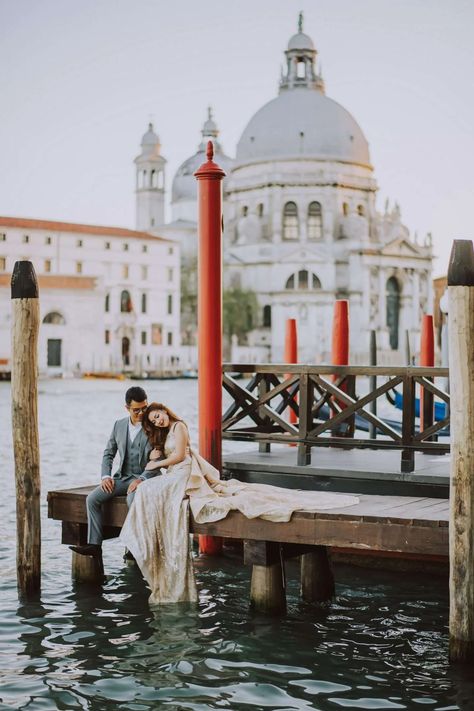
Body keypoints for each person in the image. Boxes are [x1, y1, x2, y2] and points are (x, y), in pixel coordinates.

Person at [120, 402, 359, 606]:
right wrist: (156, 455)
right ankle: (139, 537)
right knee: (147, 491)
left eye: (158, 415)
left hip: (184, 472)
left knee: (149, 490)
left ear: (164, 410)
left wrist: (156, 465)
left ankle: (138, 533)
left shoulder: (179, 426)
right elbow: (165, 455)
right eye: (154, 420)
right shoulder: (164, 433)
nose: (159, 421)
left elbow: (181, 456)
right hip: (173, 472)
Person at [71, 386, 160, 559]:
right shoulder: (118, 425)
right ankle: (95, 545)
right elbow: (108, 453)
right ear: (127, 408)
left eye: (144, 408)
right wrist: (105, 476)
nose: (142, 413)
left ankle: (134, 547)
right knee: (92, 499)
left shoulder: (154, 426)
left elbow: (157, 460)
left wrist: (141, 479)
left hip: (146, 478)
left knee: (132, 498)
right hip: (123, 477)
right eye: (136, 410)